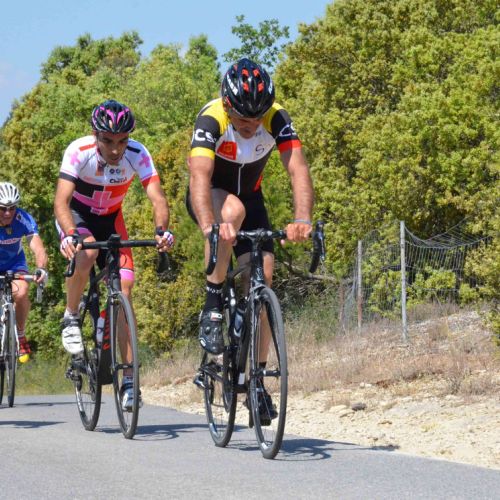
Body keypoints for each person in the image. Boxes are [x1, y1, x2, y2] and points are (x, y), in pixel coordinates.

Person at [187, 58, 314, 419]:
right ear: (228, 106)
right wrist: (209, 227)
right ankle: (213, 303)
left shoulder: (277, 118)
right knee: (232, 213)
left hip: (252, 198)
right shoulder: (211, 119)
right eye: (244, 120)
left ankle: (256, 382)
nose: (251, 126)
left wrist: (302, 219)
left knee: (264, 281)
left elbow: (298, 169)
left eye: (257, 119)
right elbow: (199, 176)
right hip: (212, 195)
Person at [54, 99, 174, 410]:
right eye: (108, 141)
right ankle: (70, 316)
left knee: (125, 291)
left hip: (111, 219)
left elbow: (158, 198)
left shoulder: (138, 153)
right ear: (95, 135)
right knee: (86, 255)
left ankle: (130, 381)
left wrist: (161, 231)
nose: (116, 149)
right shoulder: (78, 151)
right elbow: (61, 202)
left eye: (122, 141)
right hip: (77, 217)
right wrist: (69, 234)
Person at [0, 182, 48, 363]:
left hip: (14, 263)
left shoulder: (22, 218)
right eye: (3, 209)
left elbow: (37, 247)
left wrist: (41, 268)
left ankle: (20, 335)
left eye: (12, 208)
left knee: (21, 292)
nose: (8, 213)